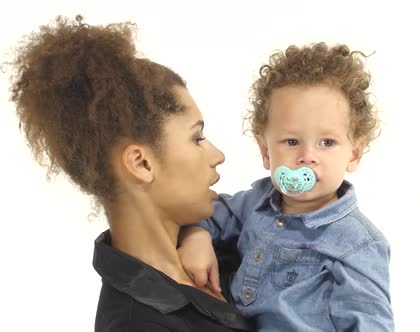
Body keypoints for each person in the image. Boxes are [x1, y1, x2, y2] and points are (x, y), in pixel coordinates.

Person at [9, 15, 252, 331]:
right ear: (142, 164)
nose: (217, 156)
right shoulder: (137, 324)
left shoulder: (228, 241)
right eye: (197, 138)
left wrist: (199, 232)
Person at [179, 42, 394, 331]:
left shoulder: (357, 243)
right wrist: (197, 236)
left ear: (354, 154)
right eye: (292, 142)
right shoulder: (255, 202)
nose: (307, 156)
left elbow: (370, 323)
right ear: (266, 152)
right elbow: (205, 211)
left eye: (327, 142)